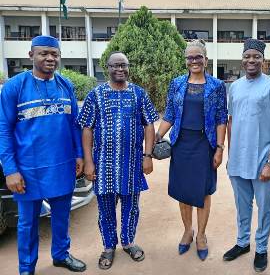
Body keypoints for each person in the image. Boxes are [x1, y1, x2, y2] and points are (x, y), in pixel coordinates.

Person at [0, 35, 86, 275]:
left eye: (54, 54)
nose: (50, 58)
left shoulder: (65, 85)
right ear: (31, 56)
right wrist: (10, 170)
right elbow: (3, 130)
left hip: (62, 165)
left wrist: (79, 155)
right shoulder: (14, 87)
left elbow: (74, 124)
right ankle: (26, 268)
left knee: (61, 216)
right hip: (28, 170)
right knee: (27, 223)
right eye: (44, 53)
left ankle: (61, 255)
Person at [77, 52, 159, 270]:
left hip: (132, 164)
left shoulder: (138, 94)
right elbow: (87, 128)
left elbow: (149, 124)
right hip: (103, 164)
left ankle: (129, 242)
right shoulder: (96, 94)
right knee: (105, 208)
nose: (120, 69)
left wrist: (147, 156)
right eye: (115, 65)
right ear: (107, 68)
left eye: (123, 65)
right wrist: (88, 161)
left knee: (132, 207)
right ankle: (108, 246)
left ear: (128, 67)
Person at [156, 39, 227, 261]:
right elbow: (169, 114)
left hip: (204, 145)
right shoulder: (176, 83)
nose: (194, 61)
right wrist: (157, 136)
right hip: (181, 144)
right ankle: (188, 231)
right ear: (186, 60)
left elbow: (221, 118)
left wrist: (219, 148)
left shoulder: (217, 86)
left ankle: (202, 235)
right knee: (184, 191)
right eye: (190, 57)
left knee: (203, 191)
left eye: (198, 57)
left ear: (205, 60)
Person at [223, 38, 270, 273]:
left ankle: (261, 248)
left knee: (264, 208)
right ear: (242, 59)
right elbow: (231, 122)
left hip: (263, 161)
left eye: (256, 57)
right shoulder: (235, 87)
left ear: (263, 61)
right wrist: (231, 155)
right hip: (238, 162)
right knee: (242, 207)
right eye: (247, 56)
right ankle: (242, 243)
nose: (251, 60)